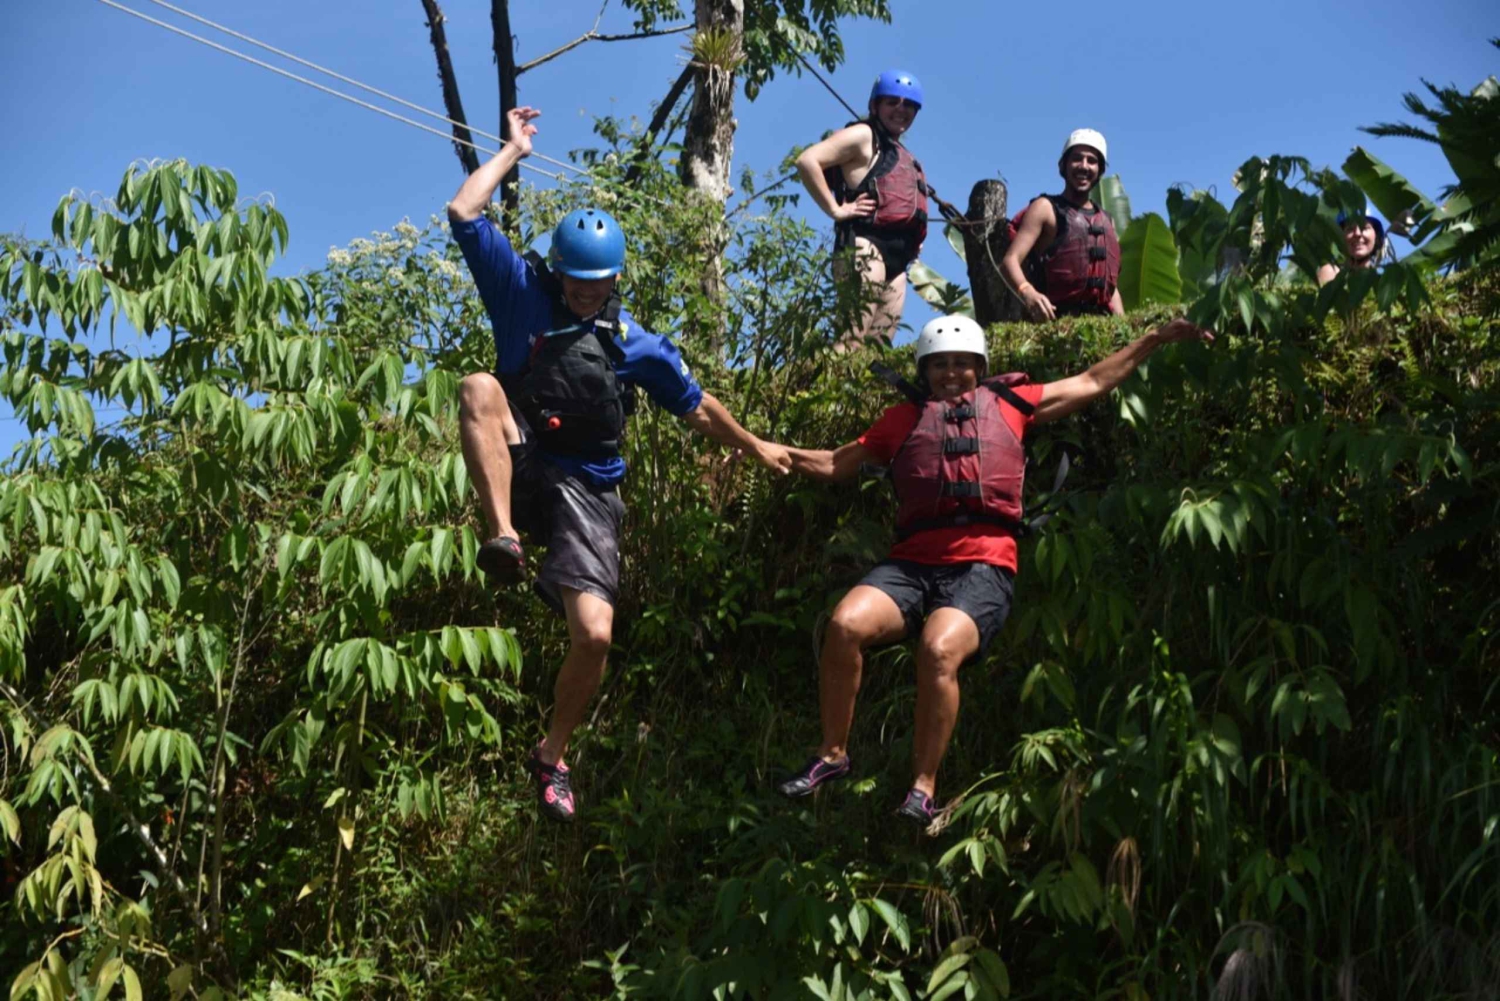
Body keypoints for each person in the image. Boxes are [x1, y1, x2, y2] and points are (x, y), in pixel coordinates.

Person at [449, 105, 792, 823]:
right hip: (526, 459)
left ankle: (551, 756)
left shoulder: (633, 341)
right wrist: (513, 151)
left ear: (616, 279)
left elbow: (695, 403)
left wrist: (755, 444)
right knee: (479, 386)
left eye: (597, 282)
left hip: (590, 490)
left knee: (596, 635)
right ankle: (504, 536)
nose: (584, 291)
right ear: (557, 270)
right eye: (575, 279)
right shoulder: (521, 295)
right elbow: (464, 211)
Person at [775, 312, 1213, 827]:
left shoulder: (1012, 403)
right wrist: (759, 447)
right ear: (924, 370)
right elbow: (832, 463)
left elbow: (1093, 381)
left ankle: (923, 786)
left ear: (979, 368)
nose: (951, 374)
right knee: (845, 624)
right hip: (912, 564)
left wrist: (1154, 339)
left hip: (983, 564)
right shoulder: (901, 419)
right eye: (939, 365)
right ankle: (833, 755)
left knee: (938, 649)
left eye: (962, 364)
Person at [796, 70, 932, 345]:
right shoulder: (863, 135)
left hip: (898, 259)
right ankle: (826, 387)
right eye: (892, 102)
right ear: (875, 105)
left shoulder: (900, 152)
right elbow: (807, 161)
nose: (900, 109)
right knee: (851, 339)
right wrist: (836, 210)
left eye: (908, 105)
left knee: (878, 349)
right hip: (865, 245)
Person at [1002, 129, 1124, 320]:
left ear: (1100, 170)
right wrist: (1027, 291)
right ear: (1063, 165)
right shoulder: (1044, 208)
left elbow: (1111, 289)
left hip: (1101, 327)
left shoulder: (1108, 221)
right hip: (1055, 322)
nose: (1084, 166)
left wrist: (1123, 326)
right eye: (1077, 158)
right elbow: (1010, 260)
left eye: (1092, 161)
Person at [1315, 212, 1387, 286]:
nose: (1357, 233)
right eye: (1350, 229)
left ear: (1377, 237)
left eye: (1364, 228)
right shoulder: (1331, 273)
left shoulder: (1381, 284)